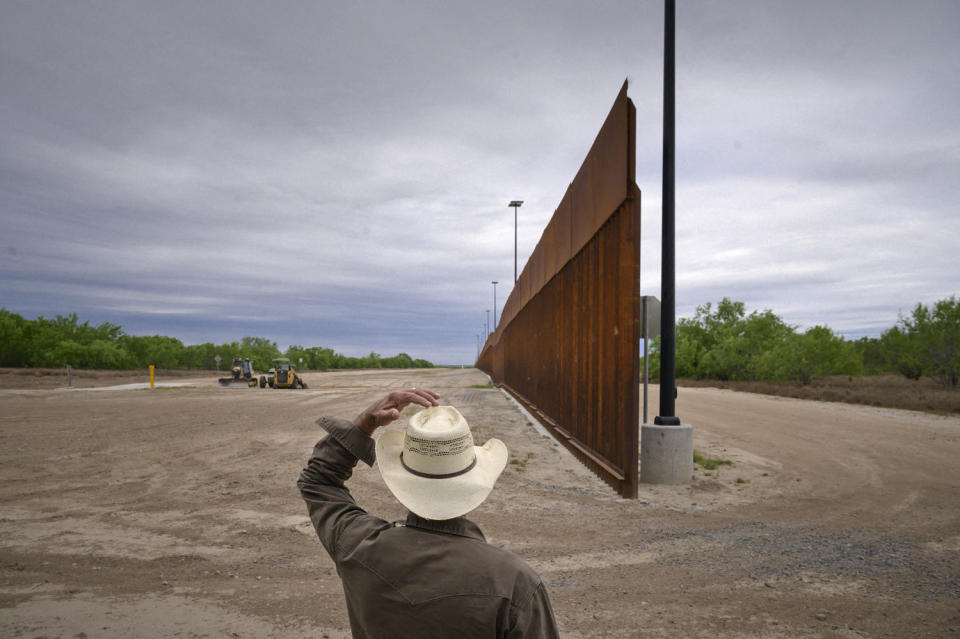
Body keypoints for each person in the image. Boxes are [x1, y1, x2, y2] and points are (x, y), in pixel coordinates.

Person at [298, 388, 560, 638]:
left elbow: (318, 482)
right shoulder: (515, 582)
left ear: (404, 478)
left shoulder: (357, 545)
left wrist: (365, 423)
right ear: (474, 482)